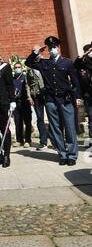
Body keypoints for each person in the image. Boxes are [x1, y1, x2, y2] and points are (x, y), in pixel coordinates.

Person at [25, 36, 83, 165]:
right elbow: (28, 63)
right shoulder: (44, 63)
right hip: (51, 99)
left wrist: (78, 97)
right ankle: (62, 154)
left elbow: (75, 81)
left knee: (69, 128)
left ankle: (72, 155)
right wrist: (36, 52)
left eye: (54, 47)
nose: (52, 49)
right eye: (50, 48)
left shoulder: (67, 62)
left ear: (58, 47)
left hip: (66, 99)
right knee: (55, 128)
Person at [26, 49, 48, 151]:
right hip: (36, 96)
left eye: (39, 53)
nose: (38, 55)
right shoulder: (30, 69)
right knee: (40, 118)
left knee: (53, 118)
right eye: (36, 54)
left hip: (47, 95)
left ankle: (55, 141)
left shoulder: (46, 64)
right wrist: (29, 97)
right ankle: (43, 142)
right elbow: (27, 85)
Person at [74, 42, 92, 147]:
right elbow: (75, 64)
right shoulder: (82, 63)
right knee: (91, 117)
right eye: (89, 51)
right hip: (88, 95)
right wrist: (84, 56)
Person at [13, 62, 32, 148]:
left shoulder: (25, 78)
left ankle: (28, 140)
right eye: (16, 67)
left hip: (25, 102)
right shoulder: (12, 79)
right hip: (16, 103)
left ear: (21, 68)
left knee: (27, 122)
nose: (17, 69)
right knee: (18, 122)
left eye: (19, 67)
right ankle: (19, 140)